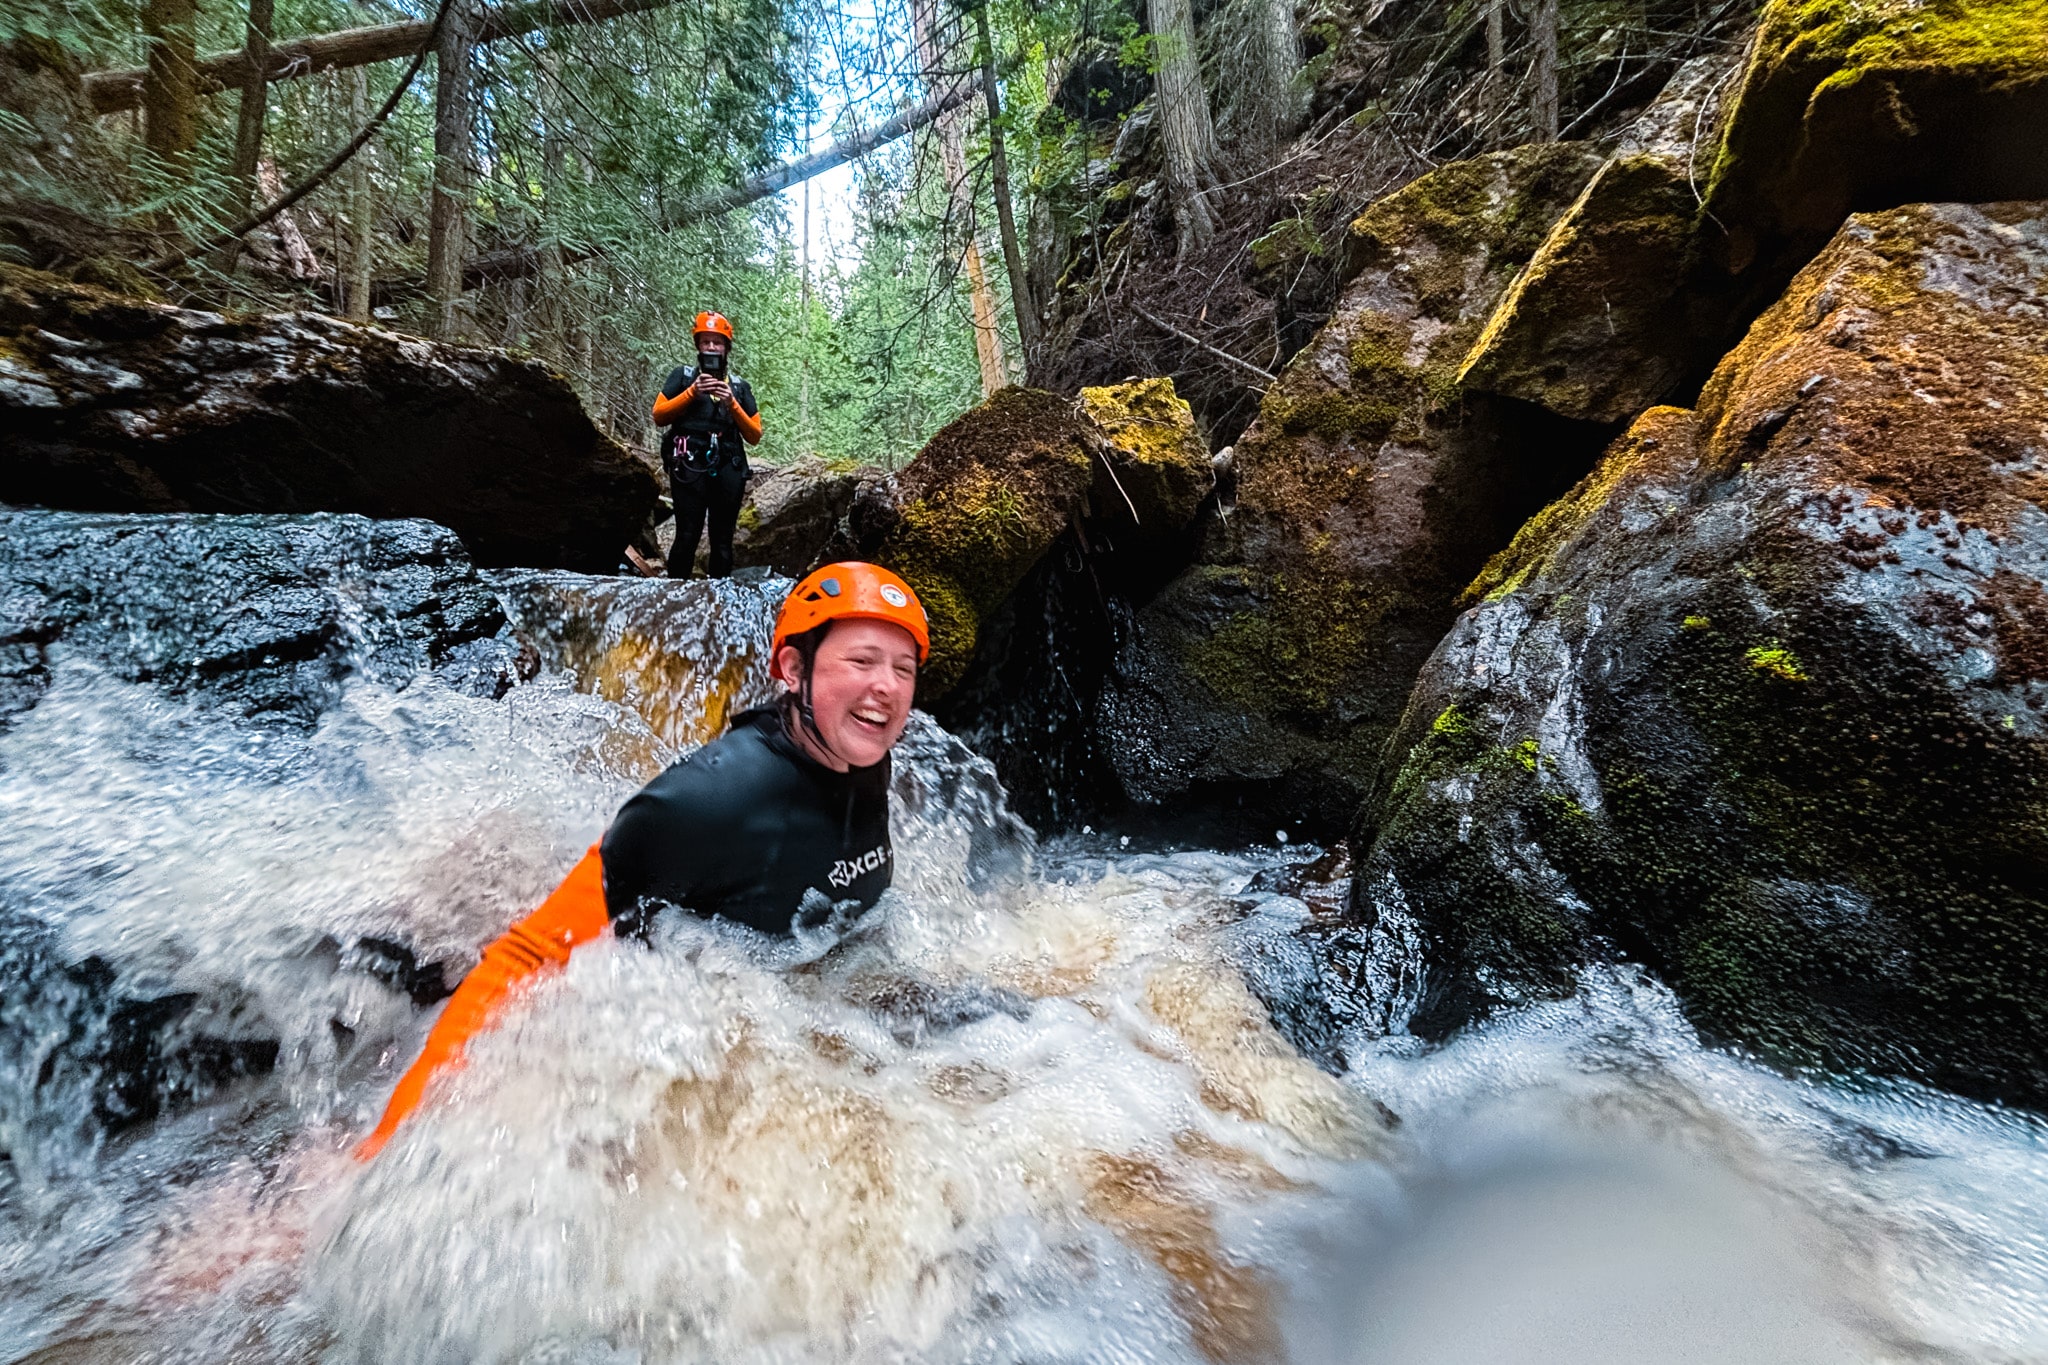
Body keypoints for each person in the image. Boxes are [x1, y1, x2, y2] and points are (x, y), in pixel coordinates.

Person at [355, 563, 928, 1158]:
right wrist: (382, 1152)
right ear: (791, 670)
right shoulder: (706, 800)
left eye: (903, 669)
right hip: (647, 1051)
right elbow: (526, 956)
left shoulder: (860, 755)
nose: (886, 686)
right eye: (861, 662)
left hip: (816, 1016)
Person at [653, 311, 763, 579]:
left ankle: (719, 606)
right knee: (687, 534)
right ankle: (675, 598)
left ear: (727, 348)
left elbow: (755, 435)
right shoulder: (683, 377)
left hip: (728, 466)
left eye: (718, 342)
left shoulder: (739, 387)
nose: (712, 348)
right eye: (706, 342)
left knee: (723, 540)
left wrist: (731, 403)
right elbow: (659, 415)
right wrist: (692, 392)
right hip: (689, 464)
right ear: (698, 346)